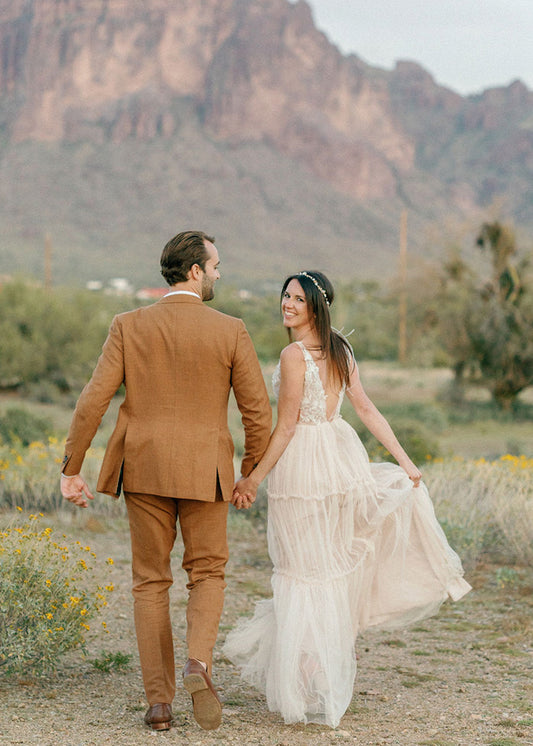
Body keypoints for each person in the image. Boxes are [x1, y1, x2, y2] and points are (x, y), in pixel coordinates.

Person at [224, 270, 471, 729]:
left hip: (305, 467)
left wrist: (254, 478)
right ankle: (322, 666)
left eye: (297, 298)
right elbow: (364, 410)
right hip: (339, 460)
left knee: (301, 567)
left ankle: (313, 672)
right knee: (323, 566)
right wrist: (405, 460)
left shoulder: (294, 354)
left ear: (316, 305)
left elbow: (289, 426)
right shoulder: (341, 348)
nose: (287, 304)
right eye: (285, 295)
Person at [60, 231, 272, 732]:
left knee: (150, 581)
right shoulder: (231, 330)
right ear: (195, 270)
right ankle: (199, 664)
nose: (220, 272)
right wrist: (249, 474)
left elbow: (93, 400)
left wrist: (72, 469)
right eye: (216, 264)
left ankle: (159, 704)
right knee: (207, 573)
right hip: (208, 470)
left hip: (145, 467)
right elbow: (257, 412)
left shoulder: (128, 325)